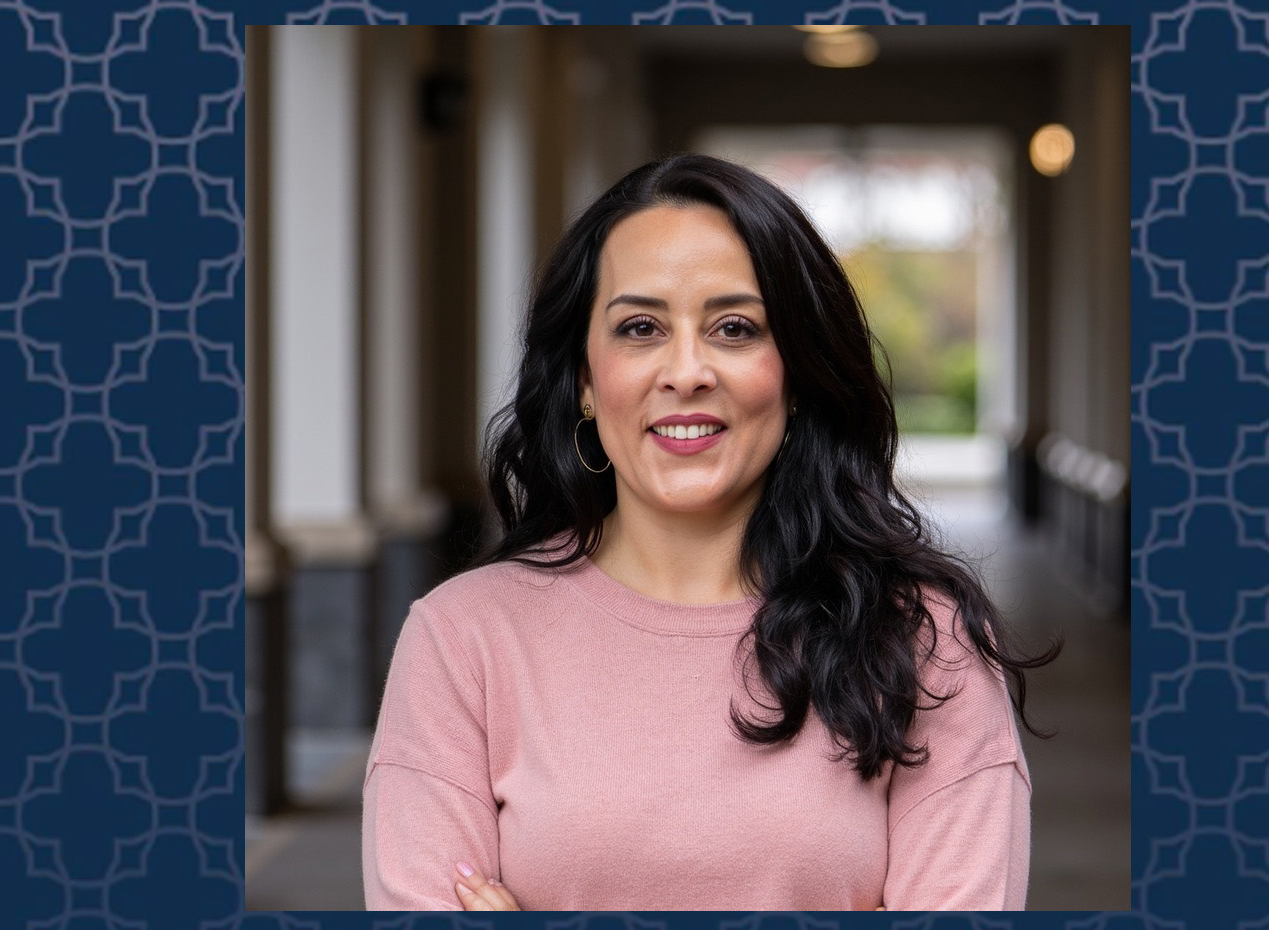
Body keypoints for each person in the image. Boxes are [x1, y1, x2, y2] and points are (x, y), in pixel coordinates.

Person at [361, 153, 1059, 911]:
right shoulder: (462, 641)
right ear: (586, 382)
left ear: (796, 375)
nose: (687, 370)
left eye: (734, 327)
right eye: (639, 327)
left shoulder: (927, 643)